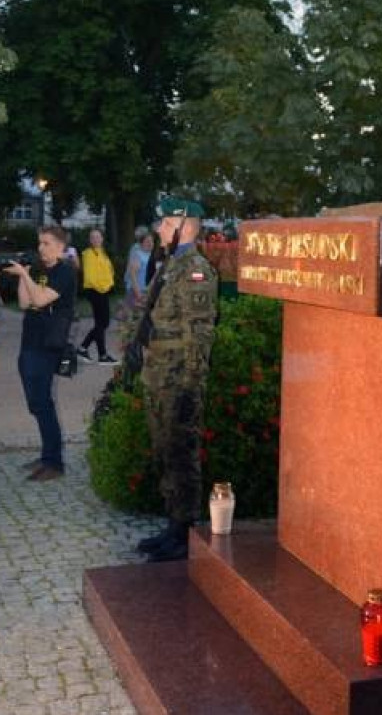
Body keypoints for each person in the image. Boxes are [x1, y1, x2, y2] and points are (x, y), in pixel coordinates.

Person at [136, 198, 218, 562]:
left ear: (183, 226)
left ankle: (185, 532)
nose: (158, 230)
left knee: (181, 454)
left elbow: (198, 333)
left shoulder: (195, 270)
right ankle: (172, 524)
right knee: (164, 451)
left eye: (163, 224)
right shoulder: (170, 266)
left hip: (179, 379)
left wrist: (190, 385)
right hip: (159, 375)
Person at [5, 225, 76, 482]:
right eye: (39, 242)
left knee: (43, 402)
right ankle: (47, 453)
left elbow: (42, 299)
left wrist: (25, 274)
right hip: (29, 342)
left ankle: (53, 462)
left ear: (60, 246)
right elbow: (26, 303)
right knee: (35, 403)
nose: (41, 247)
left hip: (48, 346)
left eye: (46, 243)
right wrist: (26, 274)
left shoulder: (65, 272)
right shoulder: (37, 269)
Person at [78, 228, 116, 365]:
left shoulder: (102, 253)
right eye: (92, 237)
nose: (95, 239)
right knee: (102, 323)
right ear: (90, 240)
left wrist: (109, 284)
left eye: (97, 237)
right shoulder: (88, 254)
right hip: (96, 291)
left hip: (103, 291)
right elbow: (90, 276)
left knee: (102, 323)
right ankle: (101, 354)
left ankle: (85, 349)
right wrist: (104, 287)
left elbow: (109, 271)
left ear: (102, 239)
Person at [123, 228, 153, 312]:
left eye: (151, 241)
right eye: (147, 241)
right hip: (137, 292)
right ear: (141, 243)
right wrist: (138, 294)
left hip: (147, 292)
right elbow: (132, 275)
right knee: (133, 318)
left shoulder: (151, 255)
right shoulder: (138, 255)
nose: (150, 243)